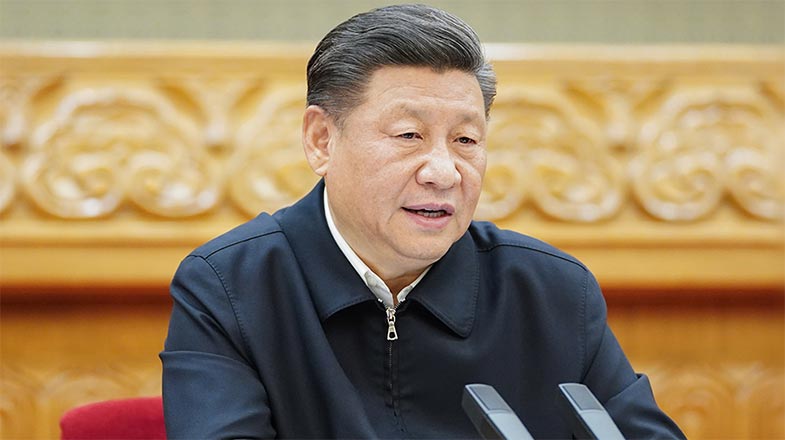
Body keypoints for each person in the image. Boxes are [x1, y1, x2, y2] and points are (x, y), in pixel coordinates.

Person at [160, 4, 684, 439]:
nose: (443, 172)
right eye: (409, 135)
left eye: (466, 140)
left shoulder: (553, 292)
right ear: (322, 140)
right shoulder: (231, 285)